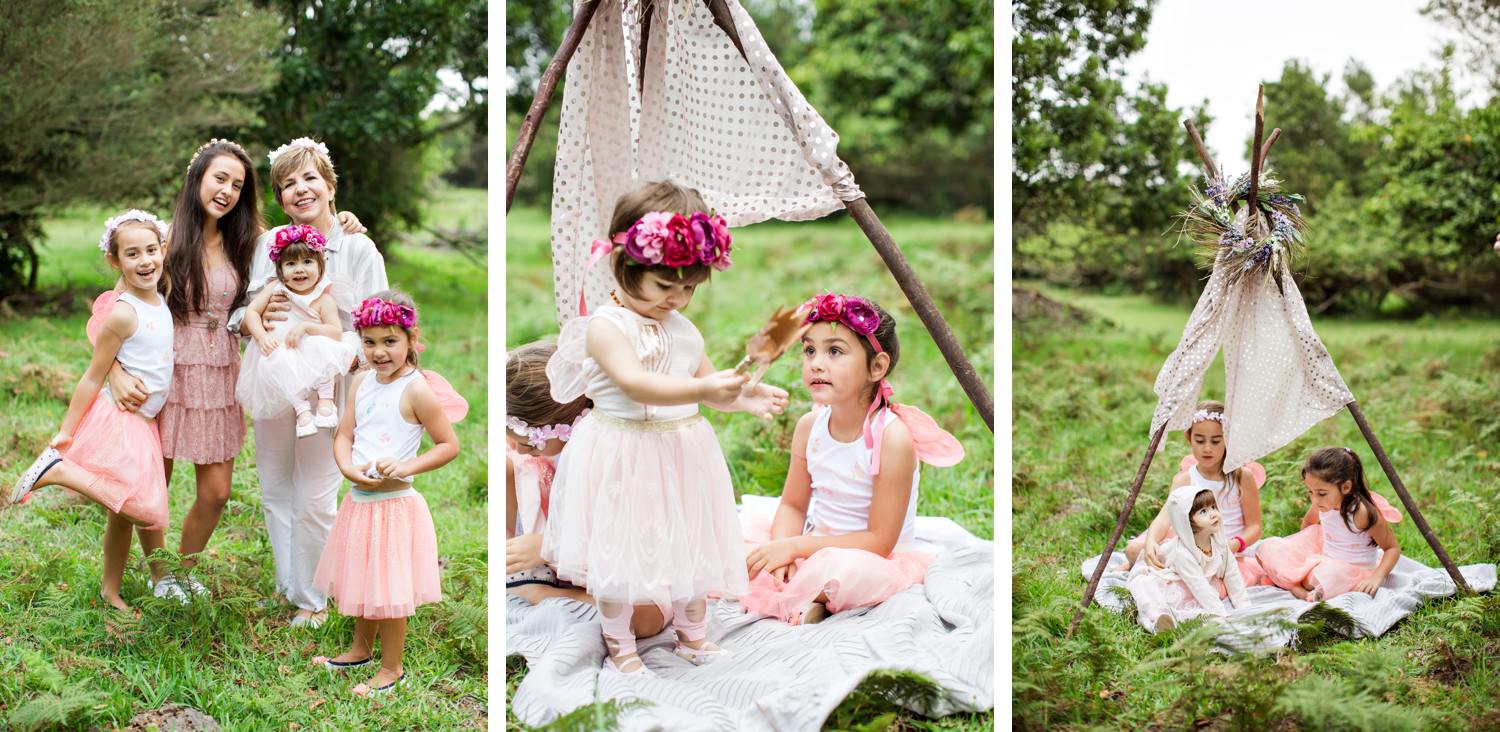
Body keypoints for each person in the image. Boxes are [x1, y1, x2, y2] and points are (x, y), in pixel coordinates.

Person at [541, 180, 788, 675]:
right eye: (664, 286)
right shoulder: (606, 326)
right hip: (622, 450)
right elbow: (638, 384)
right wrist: (705, 388)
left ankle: (693, 636)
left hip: (682, 451)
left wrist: (744, 396)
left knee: (688, 542)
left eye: (689, 289)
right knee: (620, 549)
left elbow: (706, 386)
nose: (677, 299)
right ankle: (621, 644)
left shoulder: (682, 329)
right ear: (623, 265)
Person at [235, 137, 387, 627]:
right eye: (287, 184)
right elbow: (246, 309)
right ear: (280, 198)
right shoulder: (269, 246)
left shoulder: (356, 246)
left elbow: (379, 322)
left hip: (331, 380)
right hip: (274, 372)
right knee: (275, 484)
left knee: (317, 492)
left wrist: (364, 383)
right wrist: (255, 322)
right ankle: (289, 583)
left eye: (309, 178)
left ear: (330, 185)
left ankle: (313, 597)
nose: (299, 189)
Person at [740, 294, 964, 625]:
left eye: (834, 351)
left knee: (846, 572)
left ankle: (812, 594)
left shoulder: (891, 438)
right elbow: (793, 506)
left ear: (877, 367)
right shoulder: (810, 427)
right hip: (814, 544)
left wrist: (795, 548)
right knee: (739, 545)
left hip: (870, 555)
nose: (816, 363)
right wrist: (783, 550)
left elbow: (879, 540)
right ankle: (801, 589)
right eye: (809, 351)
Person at [10, 211, 174, 611]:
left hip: (147, 422)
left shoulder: (158, 294)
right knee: (145, 509)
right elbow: (92, 376)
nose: (145, 261)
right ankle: (60, 470)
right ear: (114, 261)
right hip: (124, 420)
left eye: (151, 250)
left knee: (122, 514)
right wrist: (66, 432)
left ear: (163, 250)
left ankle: (110, 589)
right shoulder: (124, 312)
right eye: (132, 254)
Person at [312, 291, 465, 696]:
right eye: (369, 342)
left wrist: (406, 466)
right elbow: (344, 435)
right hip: (359, 503)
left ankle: (392, 668)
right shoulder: (362, 382)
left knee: (390, 591)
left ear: (412, 338)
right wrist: (347, 468)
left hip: (395, 506)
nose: (379, 352)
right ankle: (360, 650)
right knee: (365, 580)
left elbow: (448, 445)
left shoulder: (416, 390)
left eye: (390, 341)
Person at [503, 341, 670, 638]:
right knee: (507, 465)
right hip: (556, 561)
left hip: (618, 561)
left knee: (646, 619)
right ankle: (533, 583)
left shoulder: (612, 460)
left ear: (564, 426)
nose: (519, 449)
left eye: (528, 443)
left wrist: (549, 546)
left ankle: (546, 594)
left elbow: (630, 545)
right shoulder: (534, 458)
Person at [1121, 401, 1267, 585]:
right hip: (1191, 547)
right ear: (1189, 438)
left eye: (1216, 441)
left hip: (1228, 550)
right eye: (1200, 440)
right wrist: (1151, 541)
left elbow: (1255, 526)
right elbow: (1164, 518)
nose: (1207, 448)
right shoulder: (1185, 479)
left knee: (1212, 576)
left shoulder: (1241, 477)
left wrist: (1235, 544)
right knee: (1134, 549)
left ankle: (1155, 569)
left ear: (1228, 439)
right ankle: (1140, 563)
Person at [235, 224, 359, 436]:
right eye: (291, 264)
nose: (299, 269)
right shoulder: (275, 288)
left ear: (320, 265)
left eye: (307, 262)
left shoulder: (323, 299)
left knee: (324, 347)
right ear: (280, 270)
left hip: (311, 353)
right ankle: (302, 411)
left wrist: (307, 327)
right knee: (275, 362)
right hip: (281, 349)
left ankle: (326, 401)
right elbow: (252, 312)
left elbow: (335, 332)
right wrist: (261, 336)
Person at [1257, 447, 1403, 601]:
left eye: (1321, 493)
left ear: (1346, 487)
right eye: (1310, 492)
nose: (1315, 500)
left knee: (1328, 575)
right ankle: (1298, 588)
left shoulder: (1361, 513)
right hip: (1324, 558)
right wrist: (1302, 548)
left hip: (1349, 572)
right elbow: (1308, 522)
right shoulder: (1322, 504)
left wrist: (1377, 577)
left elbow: (1392, 548)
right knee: (1266, 547)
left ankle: (1293, 584)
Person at [1125, 485, 1252, 632]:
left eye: (1213, 507)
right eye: (1203, 511)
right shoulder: (1182, 552)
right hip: (1172, 579)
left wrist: (1245, 608)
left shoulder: (1220, 544)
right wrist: (1223, 616)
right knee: (1150, 590)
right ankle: (1158, 620)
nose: (1213, 514)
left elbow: (1232, 575)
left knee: (1200, 601)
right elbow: (1199, 586)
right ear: (1187, 521)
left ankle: (1196, 618)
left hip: (1196, 583)